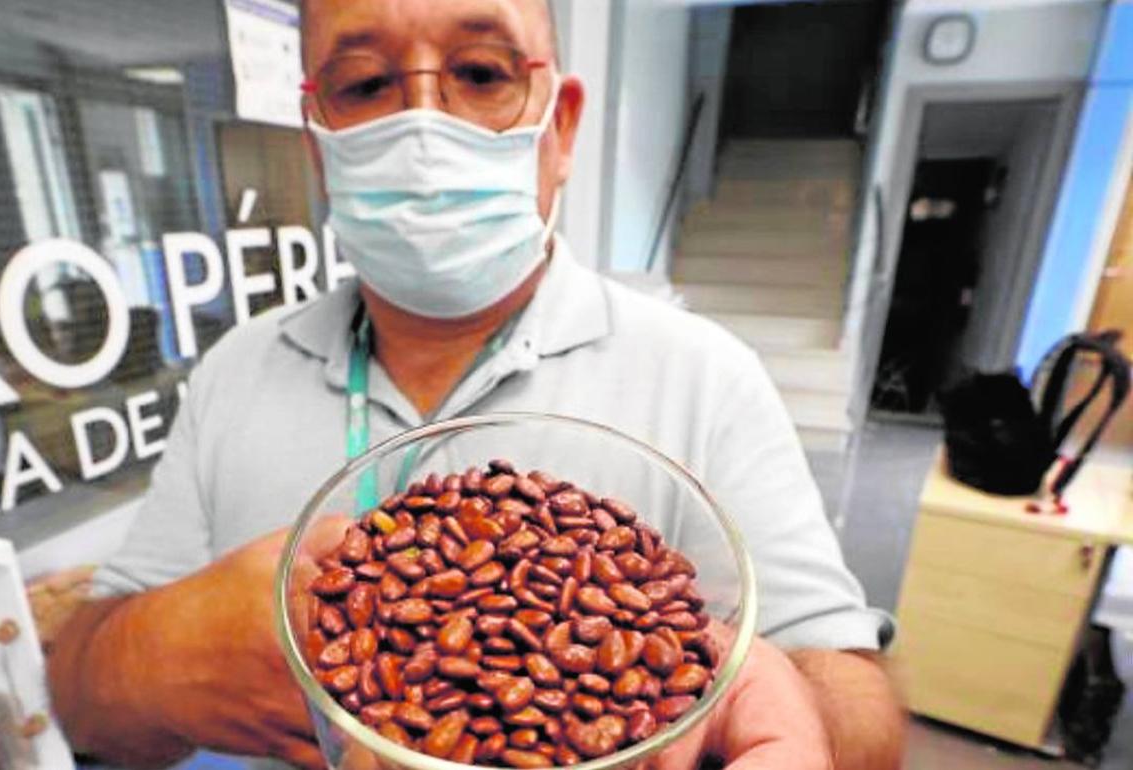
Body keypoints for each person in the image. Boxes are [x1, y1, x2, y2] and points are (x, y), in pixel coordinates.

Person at [47, 1, 904, 768]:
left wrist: (792, 711)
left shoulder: (708, 374)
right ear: (318, 143)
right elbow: (77, 692)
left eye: (482, 73)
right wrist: (147, 653)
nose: (423, 122)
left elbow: (855, 692)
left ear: (560, 126)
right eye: (367, 82)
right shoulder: (232, 368)